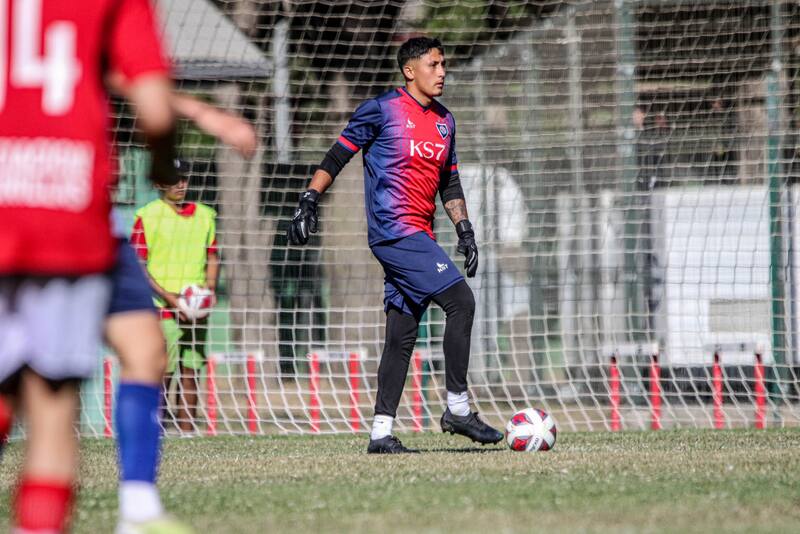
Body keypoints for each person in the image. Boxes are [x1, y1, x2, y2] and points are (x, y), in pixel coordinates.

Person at [0, 0, 177, 531]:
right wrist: (163, 160)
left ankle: (139, 509)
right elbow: (156, 109)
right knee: (52, 412)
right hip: (64, 211)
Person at [286, 36, 503, 453]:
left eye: (444, 64)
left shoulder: (445, 121)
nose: (442, 72)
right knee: (462, 302)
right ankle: (458, 408)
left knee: (401, 336)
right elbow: (337, 155)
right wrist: (309, 198)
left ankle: (380, 434)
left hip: (421, 233)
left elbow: (449, 181)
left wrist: (465, 229)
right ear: (410, 70)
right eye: (434, 64)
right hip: (394, 231)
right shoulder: (382, 109)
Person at [130, 161, 220, 434]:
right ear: (159, 183)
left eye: (183, 178)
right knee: (164, 373)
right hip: (163, 308)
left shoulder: (205, 215)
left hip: (196, 308)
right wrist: (172, 299)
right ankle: (156, 430)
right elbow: (139, 267)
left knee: (191, 370)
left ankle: (188, 431)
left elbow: (212, 256)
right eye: (173, 179)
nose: (181, 184)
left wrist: (209, 290)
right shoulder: (146, 216)